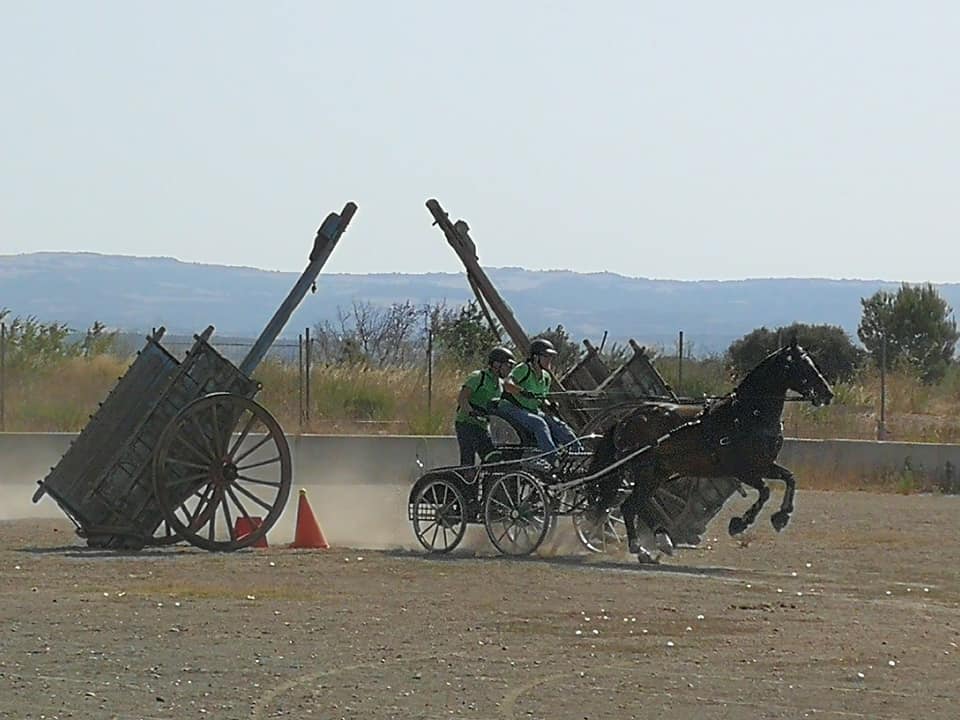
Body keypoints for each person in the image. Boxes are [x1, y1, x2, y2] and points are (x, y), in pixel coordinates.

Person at [497, 338, 580, 465]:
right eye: (546, 356)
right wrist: (522, 391)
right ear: (536, 357)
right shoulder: (524, 369)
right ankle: (553, 460)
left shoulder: (546, 377)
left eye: (551, 357)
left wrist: (549, 405)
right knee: (539, 423)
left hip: (532, 410)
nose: (549, 360)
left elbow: (541, 398)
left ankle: (577, 456)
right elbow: (507, 384)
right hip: (512, 408)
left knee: (559, 425)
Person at [454, 346, 516, 468]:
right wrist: (472, 413)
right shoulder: (479, 377)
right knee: (468, 463)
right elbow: (462, 398)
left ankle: (487, 485)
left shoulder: (500, 384)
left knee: (493, 459)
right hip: (466, 424)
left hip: (482, 427)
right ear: (496, 364)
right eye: (507, 365)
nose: (510, 369)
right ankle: (466, 483)